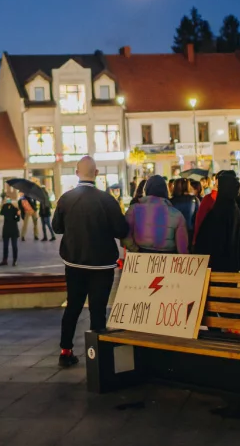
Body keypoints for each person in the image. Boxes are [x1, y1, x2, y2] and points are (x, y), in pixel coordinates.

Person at [52, 156, 130, 368]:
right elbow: (121, 230)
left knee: (73, 307)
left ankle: (65, 351)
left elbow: (57, 228)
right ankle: (98, 355)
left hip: (74, 262)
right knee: (98, 308)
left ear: (77, 172)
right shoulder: (106, 200)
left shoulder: (66, 199)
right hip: (102, 264)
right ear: (96, 173)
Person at [124, 175, 188, 254]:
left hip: (140, 258)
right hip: (168, 259)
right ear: (165, 190)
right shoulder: (177, 214)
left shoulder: (133, 210)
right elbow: (182, 247)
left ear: (147, 190)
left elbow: (125, 235)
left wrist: (135, 250)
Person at [193, 171, 240, 273]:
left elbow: (206, 238)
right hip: (231, 263)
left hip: (216, 264)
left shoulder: (219, 210)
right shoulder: (235, 208)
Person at [0, 196, 21, 266]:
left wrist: (18, 214)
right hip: (7, 229)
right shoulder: (6, 207)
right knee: (6, 246)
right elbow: (1, 213)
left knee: (13, 246)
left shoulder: (14, 208)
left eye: (8, 199)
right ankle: (5, 260)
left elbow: (17, 219)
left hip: (12, 229)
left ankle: (14, 260)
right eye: (7, 199)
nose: (8, 201)